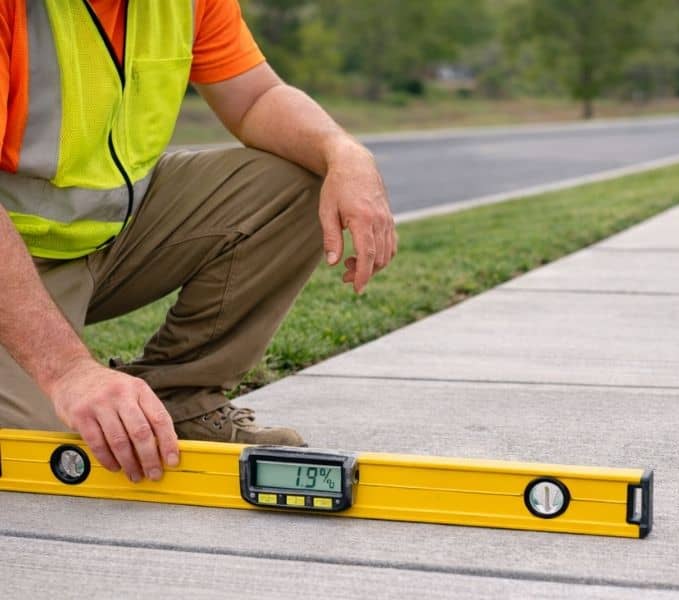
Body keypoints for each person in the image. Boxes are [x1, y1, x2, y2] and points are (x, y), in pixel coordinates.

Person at [0, 1, 396, 484]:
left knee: (298, 178)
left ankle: (178, 396)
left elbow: (254, 97)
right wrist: (66, 372)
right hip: (15, 259)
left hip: (108, 235)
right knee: (50, 455)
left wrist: (344, 152)